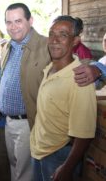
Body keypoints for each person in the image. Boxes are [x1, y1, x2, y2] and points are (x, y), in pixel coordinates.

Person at [0, 3, 101, 181]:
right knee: (16, 167)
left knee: (24, 175)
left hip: (29, 123)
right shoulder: (10, 46)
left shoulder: (45, 46)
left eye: (18, 21)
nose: (13, 26)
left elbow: (73, 62)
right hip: (10, 123)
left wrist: (97, 69)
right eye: (9, 22)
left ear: (30, 21)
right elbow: (7, 64)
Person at [30, 15, 96, 181]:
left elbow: (84, 134)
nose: (54, 40)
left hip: (59, 156)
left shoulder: (79, 78)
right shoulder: (50, 68)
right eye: (52, 33)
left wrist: (68, 167)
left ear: (75, 41)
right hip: (39, 152)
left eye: (63, 35)